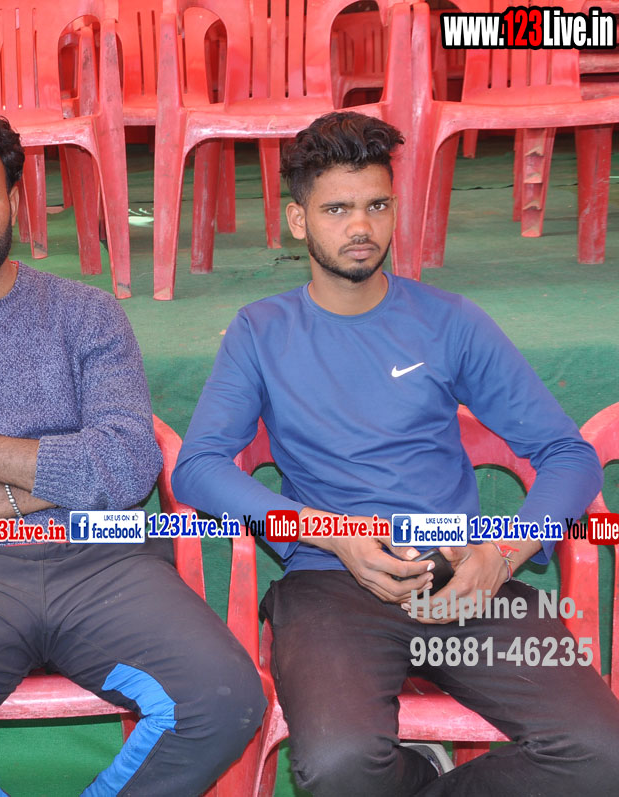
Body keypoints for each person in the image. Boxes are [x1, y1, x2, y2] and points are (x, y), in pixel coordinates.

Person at [173, 111, 619, 796]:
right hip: (330, 583)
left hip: (465, 576)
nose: (362, 227)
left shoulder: (449, 320)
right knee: (340, 764)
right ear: (299, 221)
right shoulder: (262, 331)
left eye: (377, 206)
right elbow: (199, 468)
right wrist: (332, 532)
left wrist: (504, 554)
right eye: (338, 209)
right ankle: (419, 771)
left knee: (602, 755)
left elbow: (567, 453)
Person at [0, 101, 264, 796]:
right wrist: (49, 477)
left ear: (15, 201)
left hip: (105, 561)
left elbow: (127, 464)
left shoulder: (86, 313)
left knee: (222, 699)